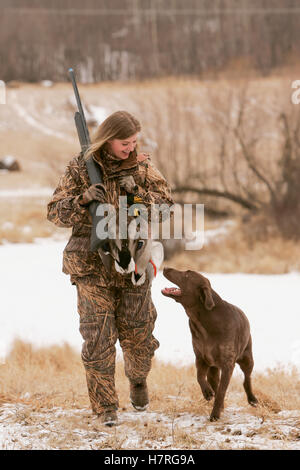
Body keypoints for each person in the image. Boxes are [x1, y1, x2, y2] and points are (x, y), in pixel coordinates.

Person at [47, 111, 174, 426]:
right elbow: (54, 213)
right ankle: (106, 409)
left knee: (139, 338)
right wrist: (82, 200)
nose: (130, 148)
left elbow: (165, 208)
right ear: (107, 138)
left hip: (134, 262)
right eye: (123, 142)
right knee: (98, 338)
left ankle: (138, 378)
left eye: (133, 142)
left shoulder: (142, 167)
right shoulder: (79, 168)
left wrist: (138, 198)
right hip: (91, 265)